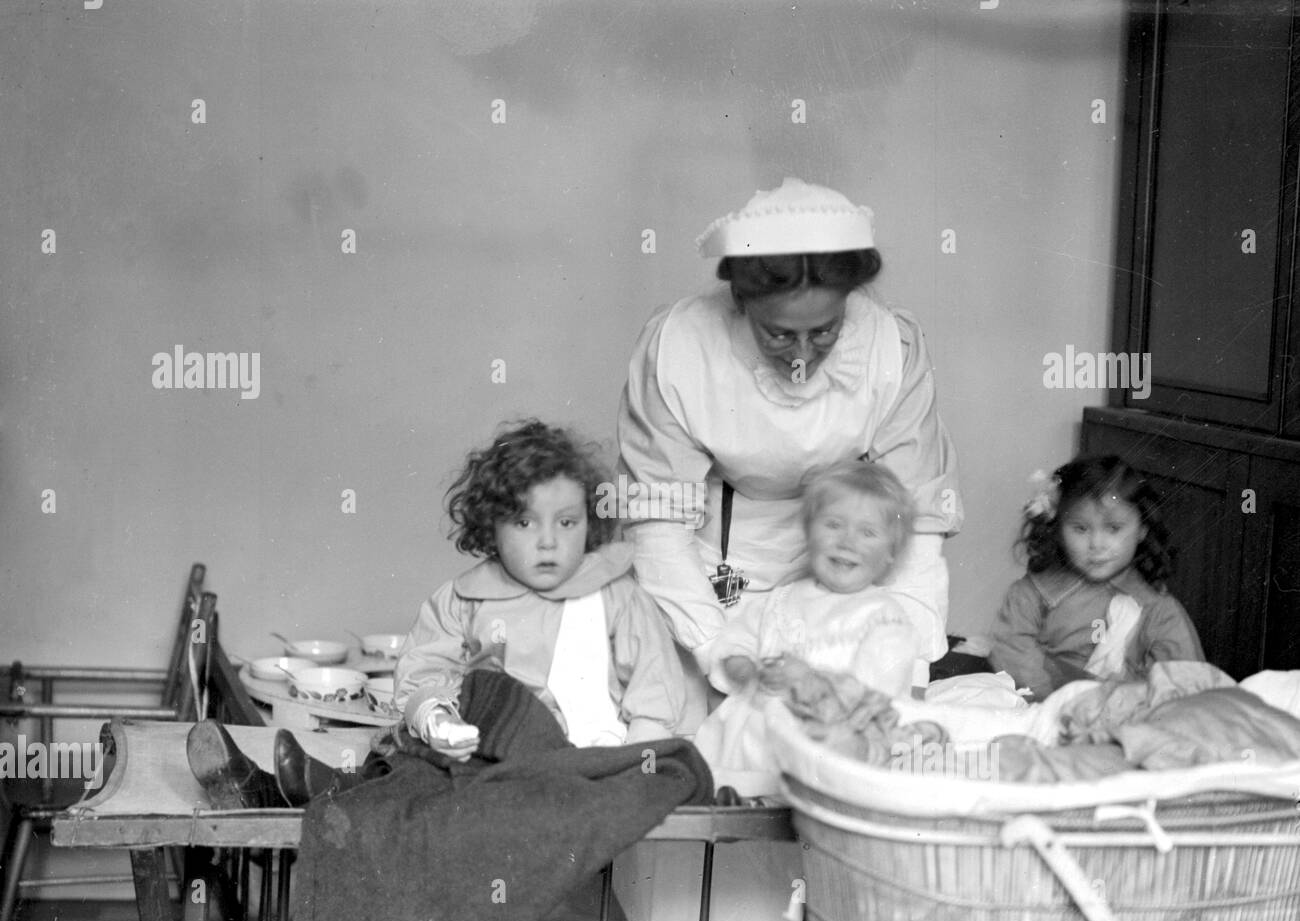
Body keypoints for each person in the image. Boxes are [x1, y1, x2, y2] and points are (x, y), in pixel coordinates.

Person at [187, 419, 689, 808]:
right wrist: (434, 717)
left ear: (591, 523)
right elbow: (425, 673)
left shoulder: (617, 598)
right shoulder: (463, 599)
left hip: (576, 763)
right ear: (490, 527)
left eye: (567, 521)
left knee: (435, 783)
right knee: (411, 762)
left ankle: (303, 793)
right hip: (478, 753)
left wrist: (627, 770)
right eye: (524, 521)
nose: (549, 541)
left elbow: (655, 697)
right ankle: (295, 791)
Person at [616, 177, 962, 720]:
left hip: (844, 563)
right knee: (698, 732)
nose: (803, 357)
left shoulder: (890, 348)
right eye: (778, 334)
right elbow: (658, 527)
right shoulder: (680, 347)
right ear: (739, 299)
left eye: (825, 331)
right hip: (708, 566)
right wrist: (720, 653)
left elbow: (915, 518)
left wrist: (909, 665)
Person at [693, 460, 921, 795]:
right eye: (833, 524)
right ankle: (734, 787)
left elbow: (876, 697)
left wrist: (810, 682)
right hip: (754, 731)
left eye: (867, 532)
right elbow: (736, 641)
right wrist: (742, 666)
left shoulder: (885, 616)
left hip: (823, 739)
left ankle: (767, 791)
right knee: (719, 755)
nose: (847, 542)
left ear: (891, 553)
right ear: (808, 531)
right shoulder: (781, 599)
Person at [988, 454, 1204, 701]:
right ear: (1057, 529)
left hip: (1121, 715)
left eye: (1114, 528)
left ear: (1143, 529)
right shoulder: (1032, 594)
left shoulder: (1158, 608)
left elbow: (1185, 676)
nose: (1097, 544)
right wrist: (1051, 702)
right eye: (1081, 528)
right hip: (1040, 705)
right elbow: (1012, 649)